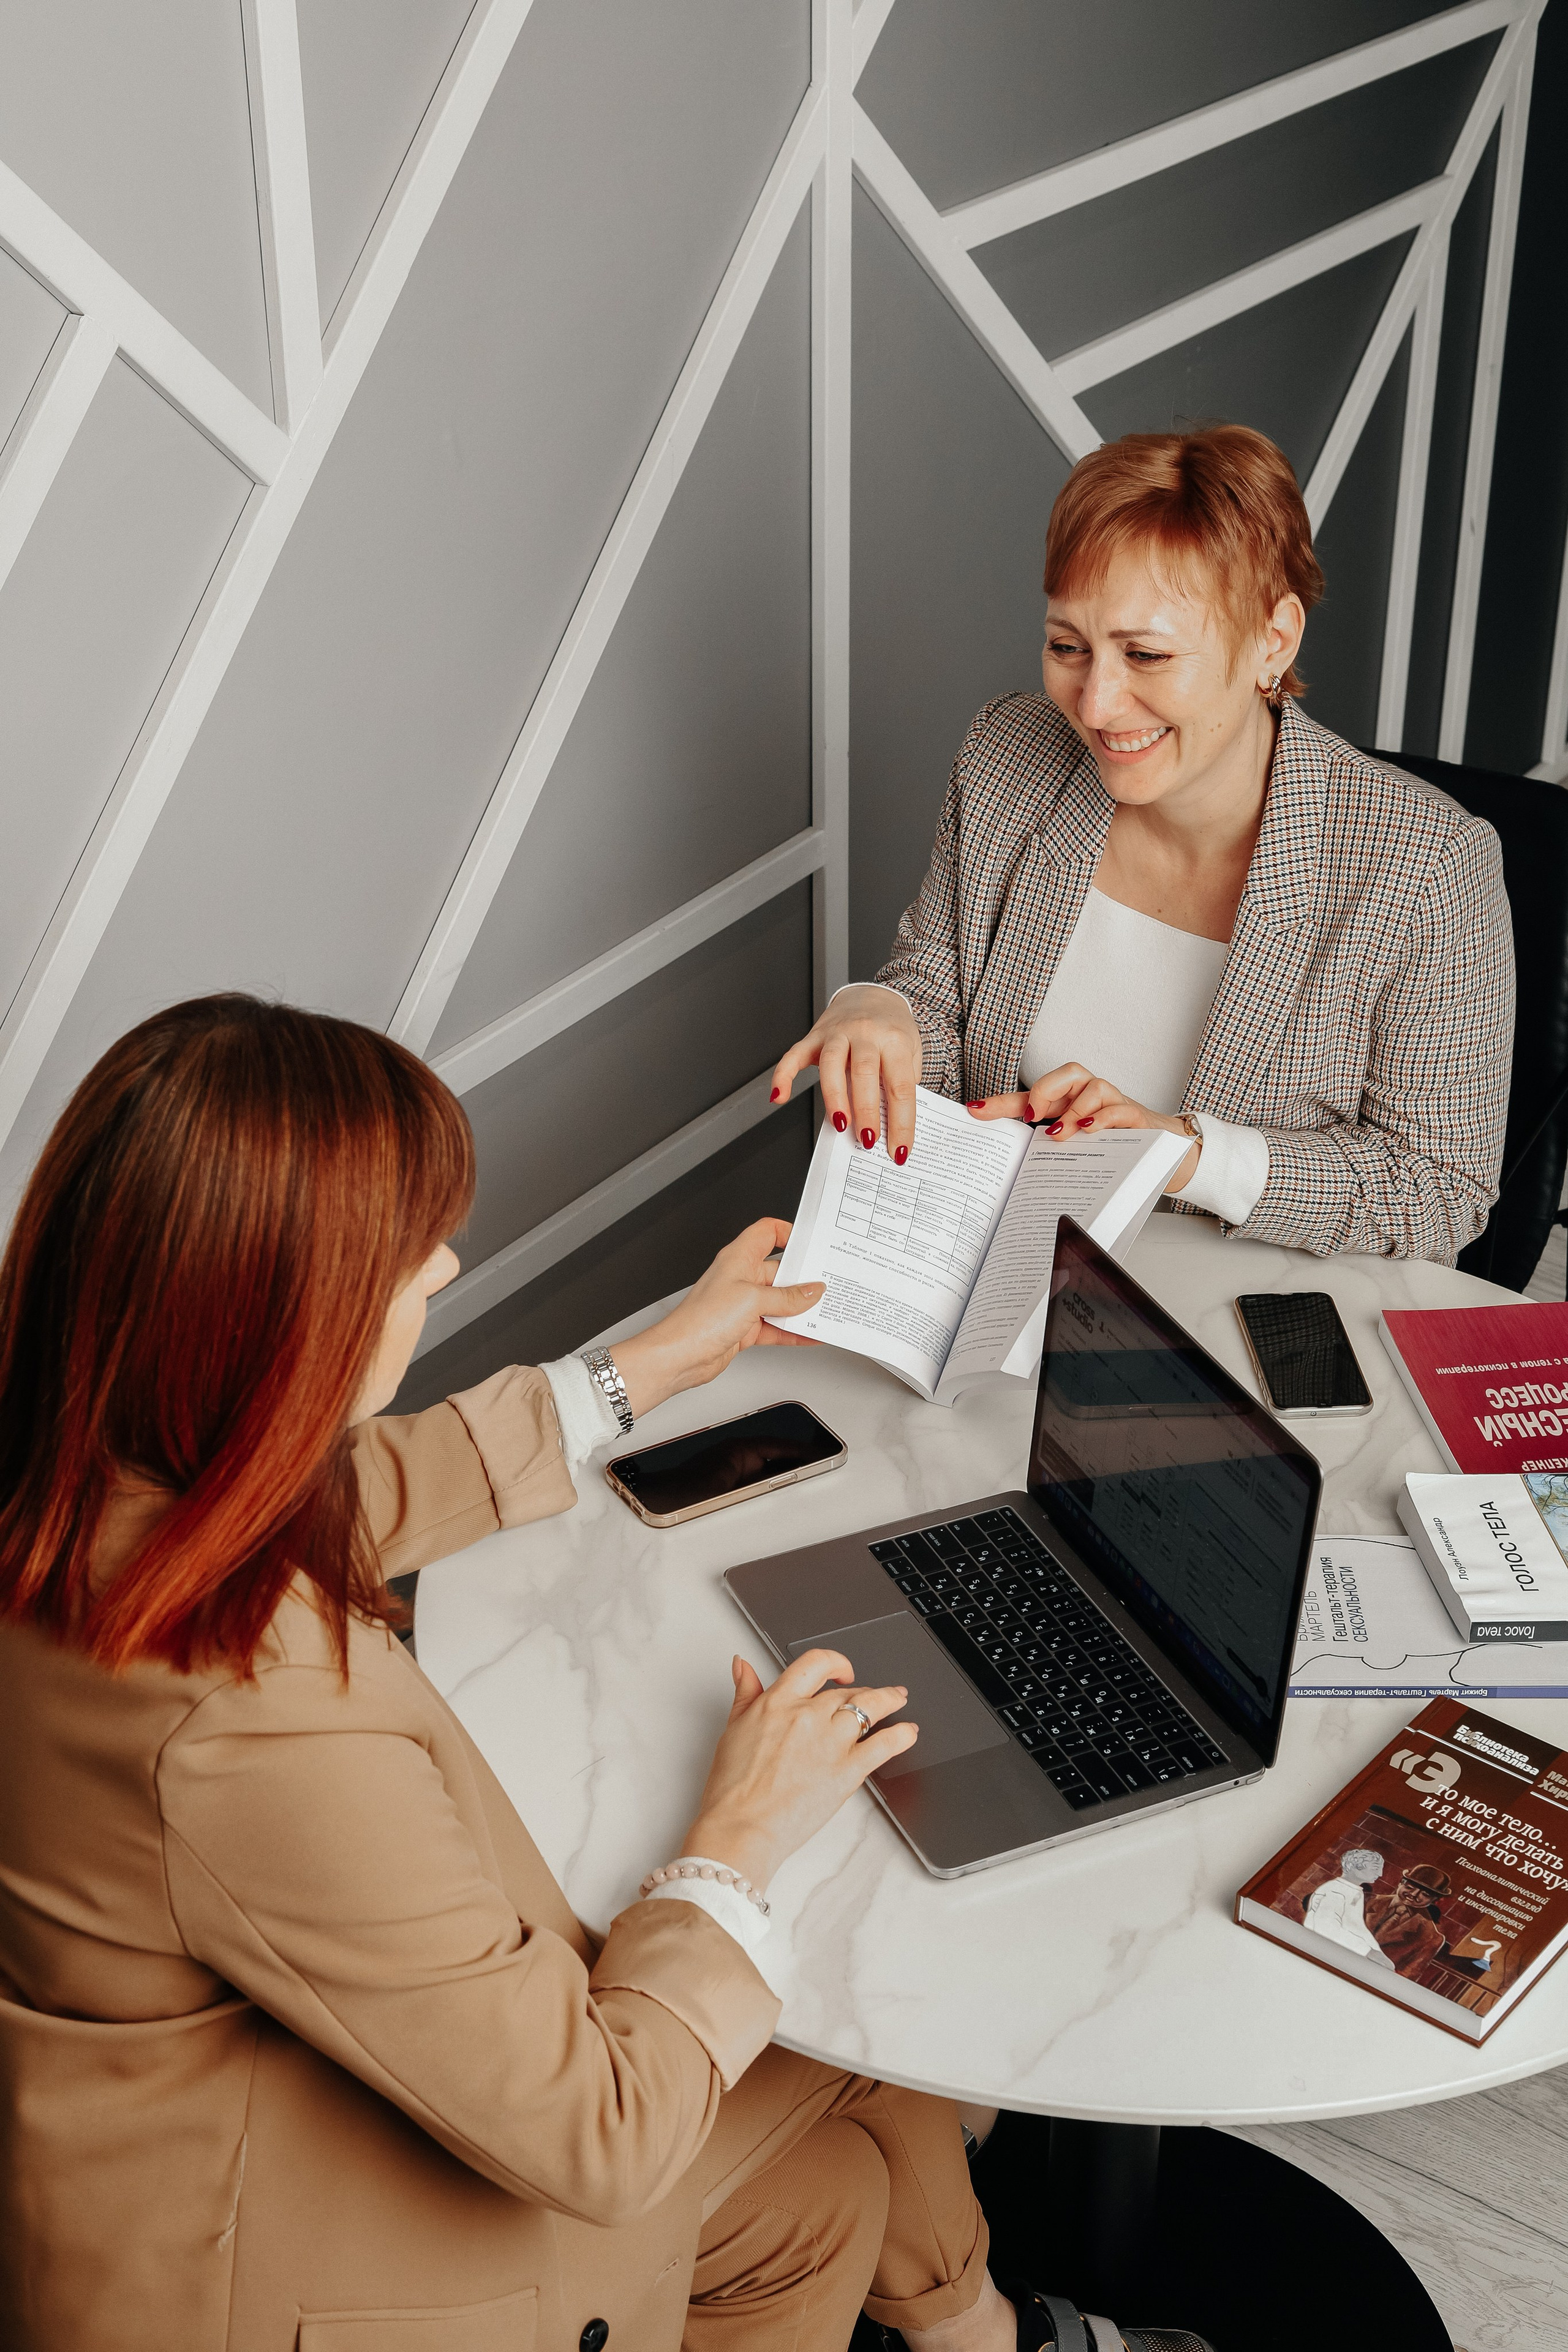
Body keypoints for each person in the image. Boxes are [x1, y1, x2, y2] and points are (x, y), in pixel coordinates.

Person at [0, 997, 1206, 2352]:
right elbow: (604, 2137)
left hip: (187, 2113)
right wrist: (732, 1840)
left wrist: (641, 1371)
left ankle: (978, 2334)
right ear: (273, 1326)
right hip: (273, 2236)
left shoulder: (78, 1468)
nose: (446, 1270)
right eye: (406, 1253)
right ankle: (989, 2337)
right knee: (827, 2079)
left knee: (831, 2178)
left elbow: (345, 1490)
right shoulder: (247, 1728)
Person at [771, 426, 1514, 1264]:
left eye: (1147, 655)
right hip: (1011, 1280)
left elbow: (1441, 1193)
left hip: (1260, 1321)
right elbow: (941, 1001)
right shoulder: (1005, 756)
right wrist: (888, 1013)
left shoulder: (1428, 867)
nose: (1095, 704)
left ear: (1273, 640)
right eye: (1068, 647)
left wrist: (1186, 1155)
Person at [1302, 1849, 1395, 1966]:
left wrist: (1378, 1952)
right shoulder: (1335, 1891)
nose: (1380, 1874)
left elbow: (1357, 1926)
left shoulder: (1355, 1891)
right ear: (1355, 1867)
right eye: (1375, 1868)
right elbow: (1326, 1928)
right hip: (1322, 1953)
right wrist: (1368, 1952)